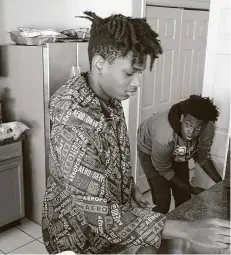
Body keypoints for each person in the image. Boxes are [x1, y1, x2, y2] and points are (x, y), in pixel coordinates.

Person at [41, 12, 230, 254]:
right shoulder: (74, 123)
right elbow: (102, 217)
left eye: (140, 72)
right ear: (99, 64)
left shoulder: (108, 96)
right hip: (77, 237)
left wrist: (128, 186)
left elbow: (112, 152)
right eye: (130, 73)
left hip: (109, 233)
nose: (137, 83)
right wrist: (187, 230)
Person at [137, 95, 221, 214]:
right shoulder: (164, 135)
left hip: (176, 149)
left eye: (198, 128)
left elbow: (202, 158)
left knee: (184, 199)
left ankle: (179, 228)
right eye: (189, 125)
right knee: (163, 202)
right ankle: (155, 229)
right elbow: (163, 169)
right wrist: (189, 187)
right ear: (182, 118)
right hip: (150, 150)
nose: (191, 133)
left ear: (205, 125)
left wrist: (222, 183)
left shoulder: (208, 128)